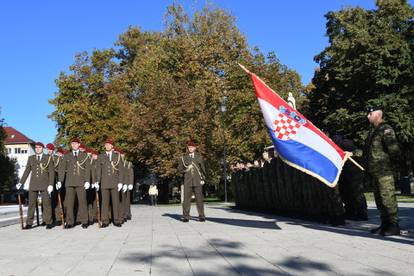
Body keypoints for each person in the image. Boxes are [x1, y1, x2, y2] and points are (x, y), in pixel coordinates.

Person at [357, 106, 401, 236]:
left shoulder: (385, 129)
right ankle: (385, 224)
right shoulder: (373, 132)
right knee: (379, 199)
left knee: (387, 198)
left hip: (385, 171)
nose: (367, 116)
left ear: (377, 114)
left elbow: (394, 150)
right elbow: (366, 152)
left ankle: (393, 226)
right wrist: (352, 152)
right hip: (374, 172)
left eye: (370, 113)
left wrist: (395, 168)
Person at [16, 142, 54, 229]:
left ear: (42, 148)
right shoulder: (31, 158)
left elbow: (51, 172)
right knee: (31, 204)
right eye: (36, 147)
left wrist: (51, 184)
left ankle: (48, 222)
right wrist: (20, 182)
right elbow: (27, 171)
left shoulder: (48, 158)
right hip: (33, 184)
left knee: (46, 204)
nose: (37, 149)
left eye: (39, 147)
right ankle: (29, 223)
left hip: (45, 184)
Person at [57, 138, 91, 229]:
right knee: (69, 203)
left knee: (83, 203)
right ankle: (70, 222)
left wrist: (87, 181)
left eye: (76, 143)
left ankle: (84, 221)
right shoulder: (66, 156)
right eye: (72, 144)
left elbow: (88, 169)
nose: (74, 145)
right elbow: (62, 169)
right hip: (69, 182)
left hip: (81, 182)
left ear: (79, 144)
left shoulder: (85, 156)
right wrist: (60, 181)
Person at [96, 139, 123, 227]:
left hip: (115, 182)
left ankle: (117, 220)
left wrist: (120, 182)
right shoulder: (101, 156)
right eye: (106, 144)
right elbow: (98, 170)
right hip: (104, 182)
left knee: (115, 202)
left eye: (109, 145)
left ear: (112, 146)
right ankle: (105, 221)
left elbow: (120, 170)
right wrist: (97, 181)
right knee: (104, 203)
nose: (107, 146)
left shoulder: (117, 156)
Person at [178, 140, 206, 222]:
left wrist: (203, 179)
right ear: (188, 148)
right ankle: (186, 216)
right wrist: (186, 170)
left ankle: (201, 216)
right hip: (187, 181)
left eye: (192, 147)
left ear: (195, 148)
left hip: (197, 181)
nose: (190, 148)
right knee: (186, 200)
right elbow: (179, 169)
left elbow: (203, 169)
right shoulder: (183, 158)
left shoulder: (199, 157)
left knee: (199, 199)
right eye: (189, 147)